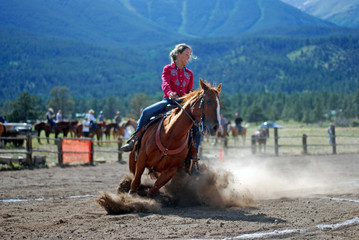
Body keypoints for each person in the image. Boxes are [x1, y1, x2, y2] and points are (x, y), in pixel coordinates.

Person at [120, 43, 200, 173]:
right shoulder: (168, 69)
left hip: (183, 104)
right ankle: (135, 139)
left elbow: (190, 91)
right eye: (187, 54)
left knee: (196, 127)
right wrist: (170, 93)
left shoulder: (189, 74)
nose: (188, 57)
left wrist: (187, 99)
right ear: (178, 54)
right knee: (146, 112)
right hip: (168, 101)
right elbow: (165, 83)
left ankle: (193, 159)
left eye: (190, 55)